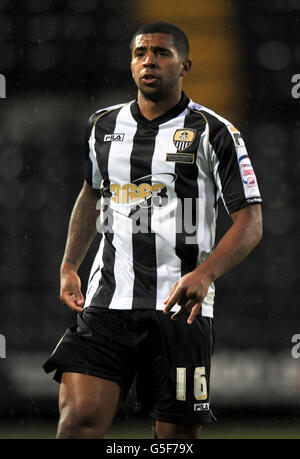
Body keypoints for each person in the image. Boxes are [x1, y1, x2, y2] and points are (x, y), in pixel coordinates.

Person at [43, 21, 263, 439]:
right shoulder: (103, 126)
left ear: (185, 66)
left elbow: (250, 223)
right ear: (131, 63)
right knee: (77, 423)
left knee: (174, 440)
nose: (149, 61)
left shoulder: (214, 132)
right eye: (141, 52)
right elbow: (92, 194)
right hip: (106, 303)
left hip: (180, 311)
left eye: (162, 53)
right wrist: (70, 264)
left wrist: (204, 274)